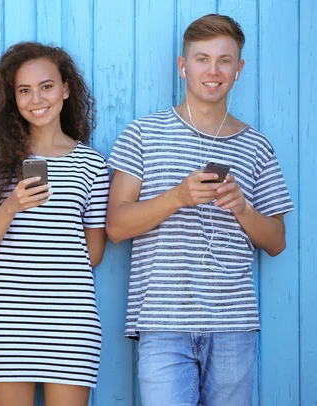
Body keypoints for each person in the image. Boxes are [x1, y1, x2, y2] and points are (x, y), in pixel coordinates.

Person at [106, 14, 294, 406]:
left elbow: (276, 241)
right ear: (182, 66)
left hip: (234, 327)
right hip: (162, 324)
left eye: (225, 60)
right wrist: (178, 196)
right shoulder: (142, 134)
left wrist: (243, 208)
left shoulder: (257, 146)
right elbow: (116, 226)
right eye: (202, 58)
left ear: (239, 69)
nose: (213, 70)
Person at [0, 41, 109, 406]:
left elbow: (95, 251)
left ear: (66, 89)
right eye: (24, 90)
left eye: (46, 86)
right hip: (5, 322)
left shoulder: (93, 164)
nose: (36, 98)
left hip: (71, 321)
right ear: (12, 98)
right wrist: (12, 205)